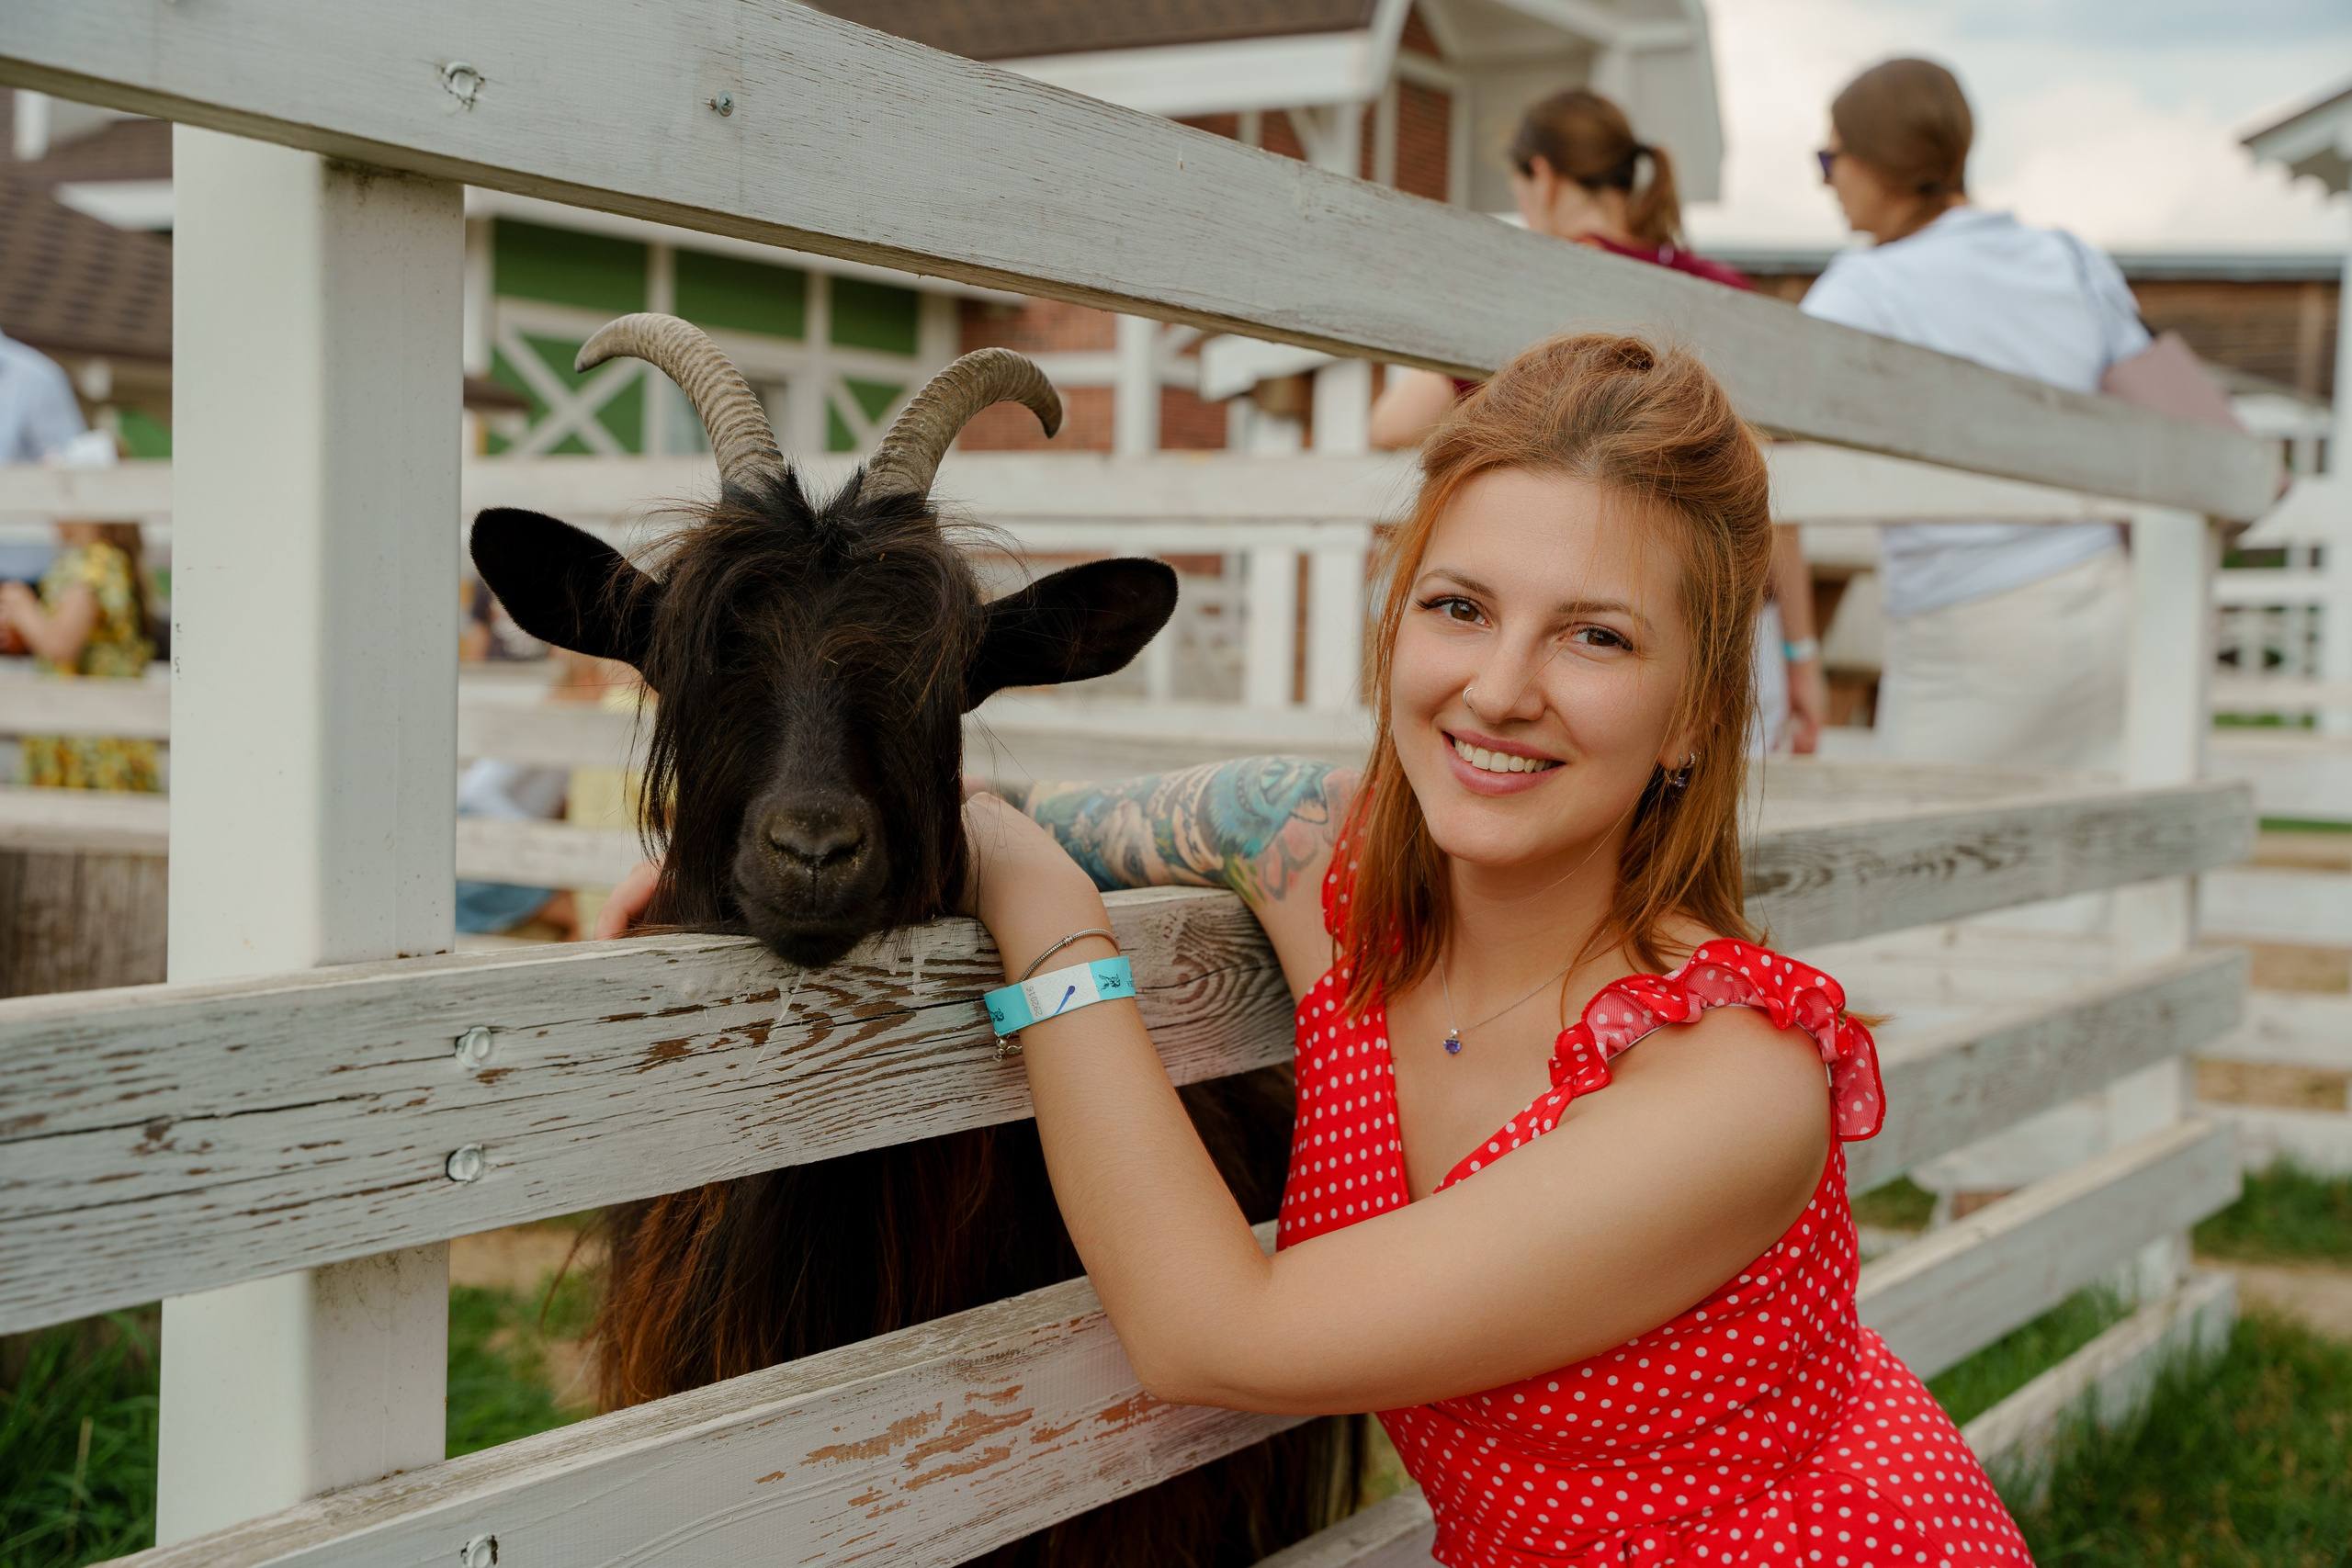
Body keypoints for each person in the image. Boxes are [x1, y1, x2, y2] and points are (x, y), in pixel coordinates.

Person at [600, 335, 2026, 1562]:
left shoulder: (1726, 1083)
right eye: (1459, 607)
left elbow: (1211, 1332)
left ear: (1701, 715)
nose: (1501, 689)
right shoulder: (1312, 845)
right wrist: (755, 846)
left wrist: (1045, 916)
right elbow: (1018, 813)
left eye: (1595, 636)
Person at [1370, 89, 1826, 755]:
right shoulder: (1723, 291)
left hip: (1547, 642)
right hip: (1719, 643)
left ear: (1544, 179)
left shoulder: (1530, 287)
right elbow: (1774, 502)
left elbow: (1391, 422)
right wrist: (1799, 653)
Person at [1803, 58, 2150, 768]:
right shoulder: (2071, 258)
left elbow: (1761, 427)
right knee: (2090, 854)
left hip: (1968, 619)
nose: (1826, 180)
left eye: (1829, 156)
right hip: (2111, 597)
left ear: (1877, 161)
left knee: (1921, 854)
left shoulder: (1868, 287)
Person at [1, 517, 162, 792]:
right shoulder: (97, 562)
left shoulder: (96, 564)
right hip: (87, 724)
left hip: (90, 738)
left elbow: (61, 645)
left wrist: (22, 606)